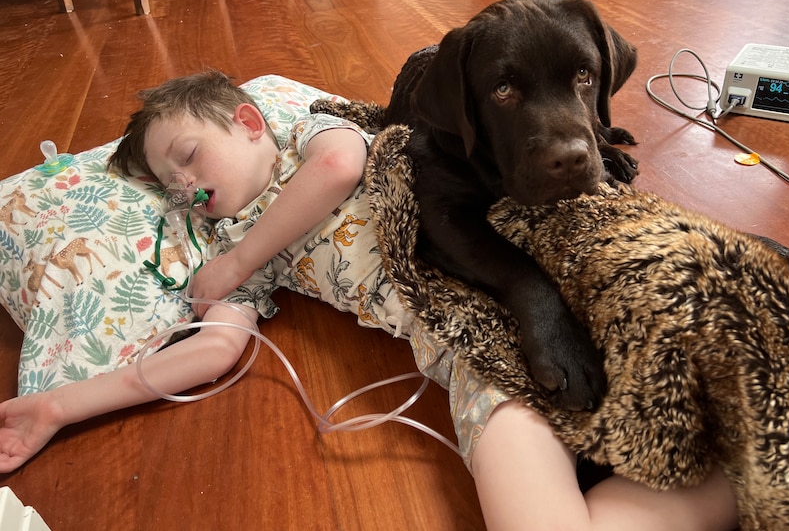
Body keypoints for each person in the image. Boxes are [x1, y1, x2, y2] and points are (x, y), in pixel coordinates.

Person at [0, 71, 738, 531]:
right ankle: (731, 480)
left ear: (249, 122)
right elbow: (218, 348)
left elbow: (341, 163)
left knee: (683, 305)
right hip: (465, 339)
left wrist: (237, 260)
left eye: (187, 156)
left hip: (514, 252)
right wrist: (62, 403)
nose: (184, 189)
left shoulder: (303, 132)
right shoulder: (236, 240)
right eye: (169, 185)